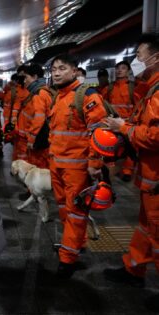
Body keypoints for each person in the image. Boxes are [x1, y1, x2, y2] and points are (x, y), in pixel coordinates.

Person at [103, 33, 159, 312]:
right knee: (146, 228)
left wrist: (123, 128)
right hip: (151, 178)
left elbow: (156, 135)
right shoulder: (150, 89)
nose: (136, 60)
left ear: (155, 57)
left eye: (139, 55)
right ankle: (133, 271)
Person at [49, 54, 107, 278]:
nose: (56, 72)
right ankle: (76, 243)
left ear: (75, 72)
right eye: (54, 69)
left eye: (62, 68)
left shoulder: (86, 95)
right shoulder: (58, 97)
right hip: (57, 165)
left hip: (77, 168)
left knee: (75, 213)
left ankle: (68, 260)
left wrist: (94, 163)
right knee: (65, 209)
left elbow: (99, 131)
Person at [102, 60, 136, 182]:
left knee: (129, 147)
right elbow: (103, 103)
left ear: (128, 71)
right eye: (117, 68)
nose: (119, 70)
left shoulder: (133, 87)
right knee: (113, 147)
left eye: (123, 68)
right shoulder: (109, 88)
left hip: (128, 123)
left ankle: (127, 171)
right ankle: (114, 169)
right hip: (113, 123)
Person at [22, 63, 51, 169]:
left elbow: (39, 118)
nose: (24, 81)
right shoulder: (45, 91)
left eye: (26, 77)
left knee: (38, 170)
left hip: (40, 140)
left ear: (34, 77)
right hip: (45, 139)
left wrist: (31, 139)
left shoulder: (39, 94)